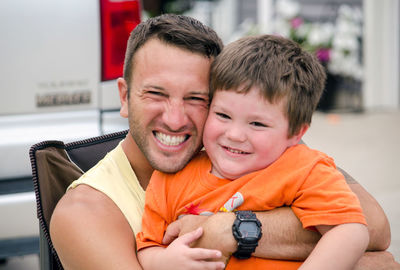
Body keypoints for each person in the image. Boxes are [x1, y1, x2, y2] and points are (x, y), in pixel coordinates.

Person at [50, 14, 398, 270]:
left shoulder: (250, 148)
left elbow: (375, 230)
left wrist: (228, 230)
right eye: (156, 94)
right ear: (125, 97)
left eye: (196, 99)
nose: (174, 118)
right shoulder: (86, 213)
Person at [136, 34, 369, 269]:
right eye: (223, 115)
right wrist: (165, 261)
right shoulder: (170, 179)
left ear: (296, 133)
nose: (235, 134)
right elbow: (148, 247)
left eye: (257, 124)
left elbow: (349, 230)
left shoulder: (303, 168)